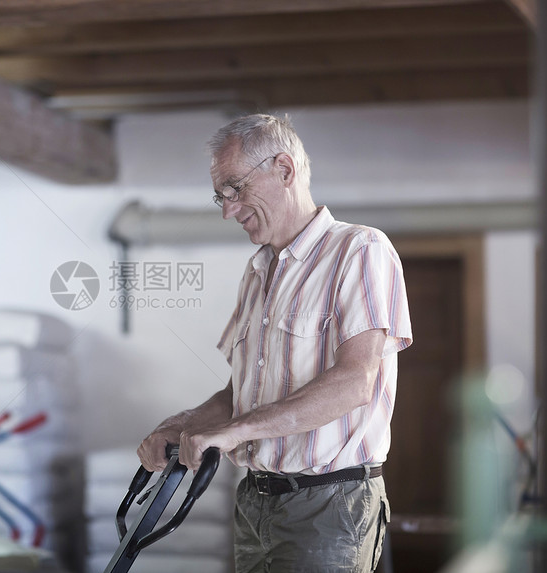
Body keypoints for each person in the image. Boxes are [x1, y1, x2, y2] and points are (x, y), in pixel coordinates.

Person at [137, 114, 413, 573]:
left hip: (328, 503)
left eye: (236, 189)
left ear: (284, 169)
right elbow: (238, 396)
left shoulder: (360, 250)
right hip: (256, 502)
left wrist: (236, 432)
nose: (228, 210)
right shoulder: (258, 271)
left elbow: (354, 383)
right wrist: (181, 427)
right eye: (220, 196)